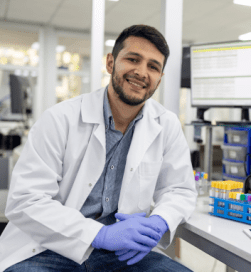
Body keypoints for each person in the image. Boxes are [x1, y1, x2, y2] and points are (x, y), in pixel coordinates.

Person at [0, 24, 197, 271]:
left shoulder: (166, 124)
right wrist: (99, 235)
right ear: (110, 63)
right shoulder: (60, 119)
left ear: (159, 78)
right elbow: (25, 200)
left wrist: (159, 221)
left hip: (122, 253)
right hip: (49, 248)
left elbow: (180, 189)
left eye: (153, 66)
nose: (141, 72)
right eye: (133, 59)